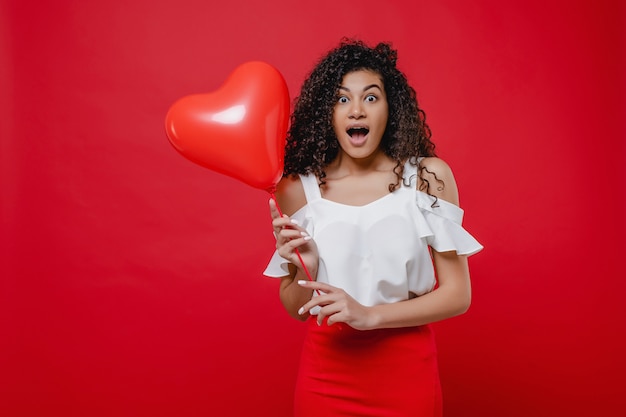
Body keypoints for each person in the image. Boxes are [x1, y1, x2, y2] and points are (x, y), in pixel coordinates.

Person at [264, 39, 483, 417]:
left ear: (389, 108)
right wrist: (306, 267)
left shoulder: (428, 177)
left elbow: (457, 295)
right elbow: (298, 309)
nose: (355, 111)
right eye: (342, 99)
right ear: (326, 112)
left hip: (405, 372)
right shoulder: (297, 189)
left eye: (370, 97)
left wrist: (369, 315)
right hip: (326, 376)